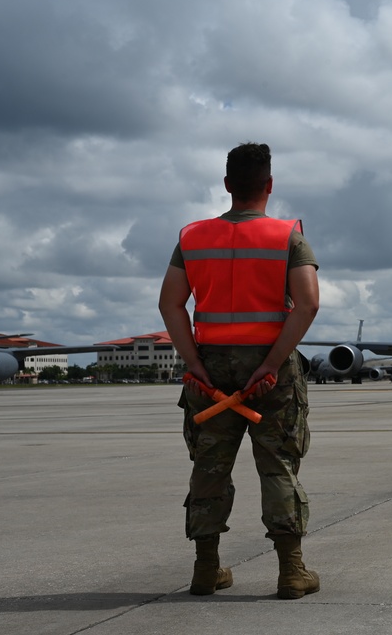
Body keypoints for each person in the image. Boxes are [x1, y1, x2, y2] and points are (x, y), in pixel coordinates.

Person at [158, 142, 320, 599]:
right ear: (269, 185)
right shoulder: (288, 236)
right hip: (270, 372)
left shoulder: (191, 237)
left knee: (209, 467)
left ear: (227, 185)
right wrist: (270, 364)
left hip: (209, 370)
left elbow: (170, 304)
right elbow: (307, 304)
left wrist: (193, 364)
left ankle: (206, 570)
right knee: (278, 466)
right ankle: (291, 571)